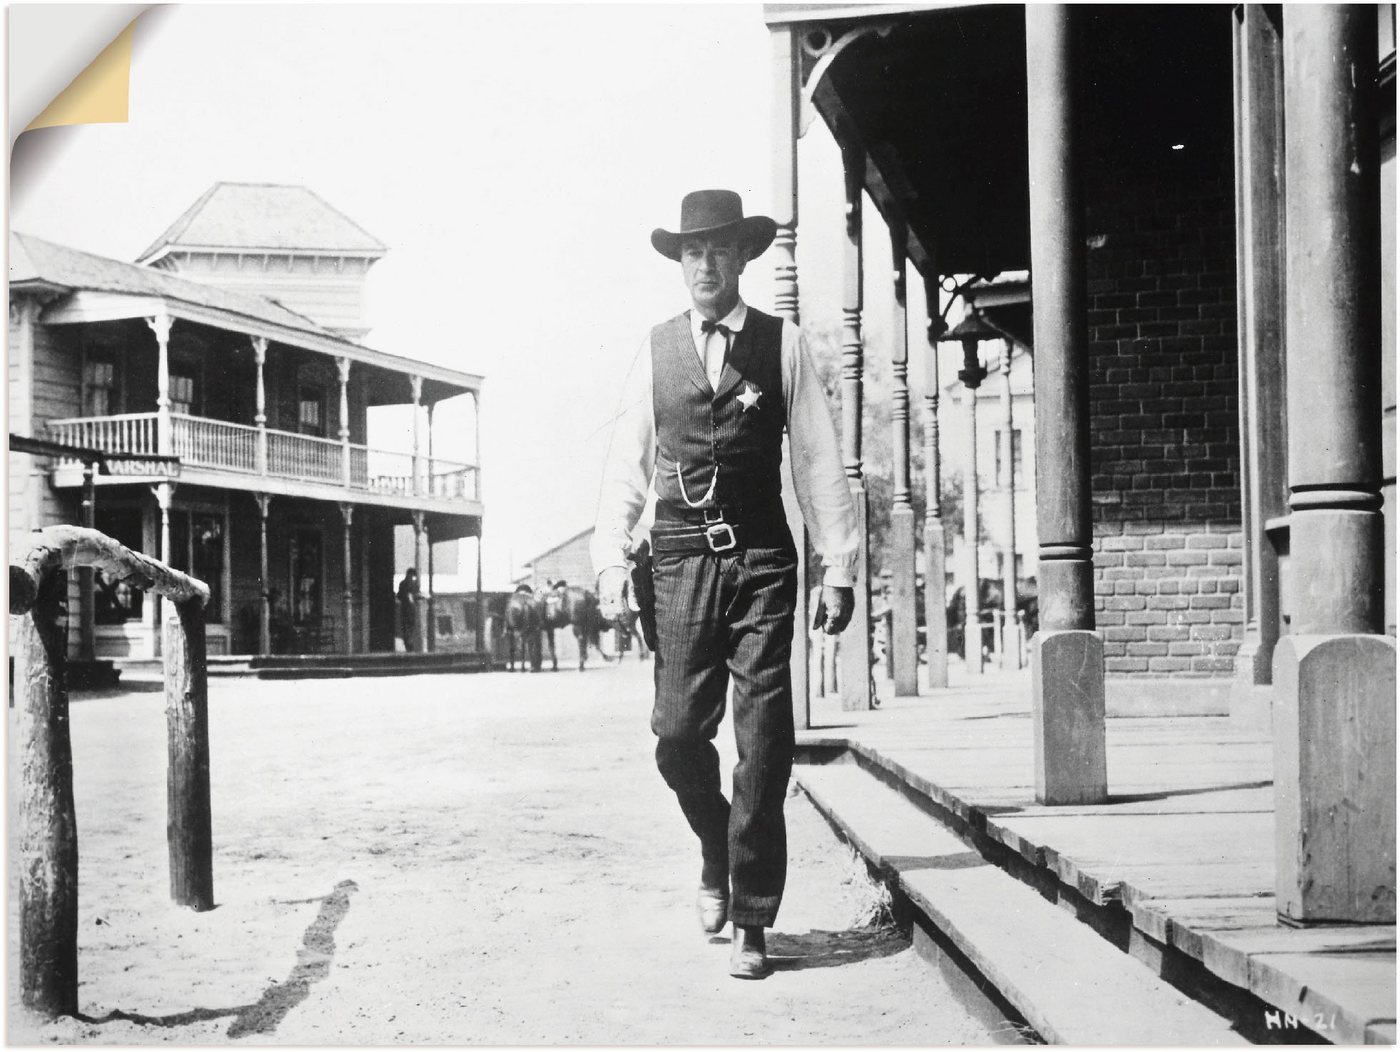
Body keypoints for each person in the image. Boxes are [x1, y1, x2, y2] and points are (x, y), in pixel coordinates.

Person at [593, 189, 857, 979]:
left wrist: (837, 565)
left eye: (718, 251)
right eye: (691, 252)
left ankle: (751, 915)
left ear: (743, 258)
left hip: (764, 561)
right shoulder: (655, 350)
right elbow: (625, 466)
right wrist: (611, 560)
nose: (704, 265)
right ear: (679, 264)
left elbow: (815, 459)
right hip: (677, 560)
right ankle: (715, 841)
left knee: (765, 741)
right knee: (676, 735)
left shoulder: (783, 345)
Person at [397, 567, 421, 652]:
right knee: (411, 627)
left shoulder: (402, 583)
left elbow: (399, 596)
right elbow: (417, 596)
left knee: (405, 627)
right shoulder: (415, 585)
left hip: (404, 609)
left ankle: (408, 645)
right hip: (412, 609)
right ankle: (410, 644)